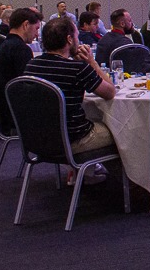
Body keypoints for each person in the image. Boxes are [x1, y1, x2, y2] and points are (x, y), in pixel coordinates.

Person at [22, 17, 117, 184]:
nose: (79, 41)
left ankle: (82, 173)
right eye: (77, 36)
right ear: (69, 39)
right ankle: (130, 185)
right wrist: (92, 63)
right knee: (121, 129)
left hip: (39, 139)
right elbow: (110, 92)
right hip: (73, 140)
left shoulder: (32, 65)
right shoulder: (77, 68)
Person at [0, 8, 42, 119]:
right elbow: (27, 87)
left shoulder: (5, 46)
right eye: (36, 28)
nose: (37, 34)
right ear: (26, 25)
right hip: (16, 114)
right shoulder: (20, 49)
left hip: (5, 109)